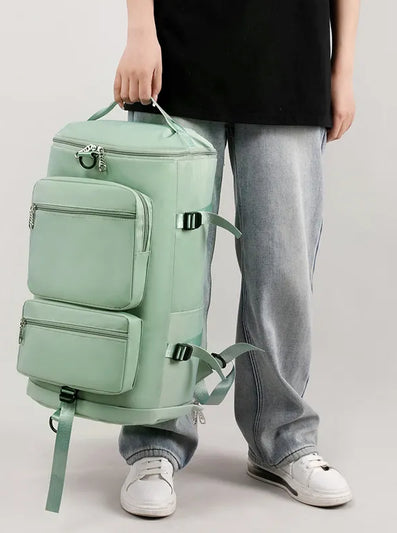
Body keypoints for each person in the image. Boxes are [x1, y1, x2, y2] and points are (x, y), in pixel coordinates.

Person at [113, 0, 359, 518]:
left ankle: (282, 438)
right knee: (166, 270)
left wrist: (343, 68)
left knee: (284, 267)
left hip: (291, 58)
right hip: (176, 53)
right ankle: (155, 437)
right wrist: (139, 30)